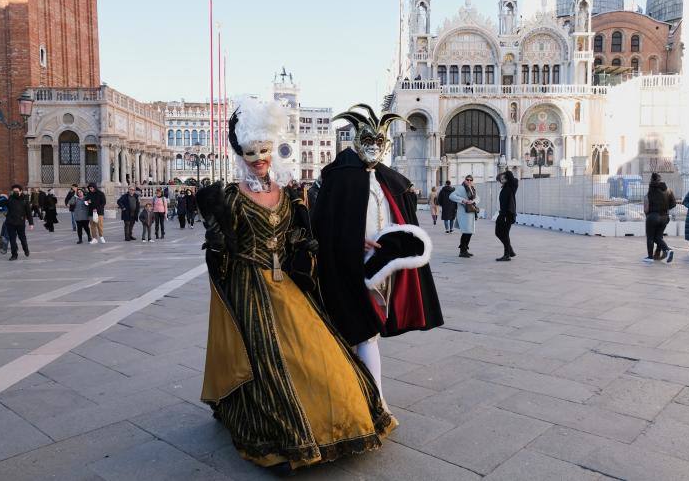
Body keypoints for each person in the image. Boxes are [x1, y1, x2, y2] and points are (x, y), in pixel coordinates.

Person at [197, 99, 396, 473]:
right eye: (252, 152)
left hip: (287, 286)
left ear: (273, 149)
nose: (259, 158)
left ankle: (344, 417)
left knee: (320, 354)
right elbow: (219, 253)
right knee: (266, 360)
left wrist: (353, 240)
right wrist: (217, 234)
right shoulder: (229, 197)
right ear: (241, 152)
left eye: (265, 150)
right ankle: (286, 434)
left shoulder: (290, 194)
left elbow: (311, 235)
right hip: (248, 287)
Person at [313, 103, 443, 401]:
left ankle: (365, 398)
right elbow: (323, 223)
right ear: (358, 140)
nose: (374, 147)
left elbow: (401, 217)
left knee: (369, 332)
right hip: (350, 266)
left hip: (384, 270)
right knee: (363, 332)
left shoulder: (390, 179)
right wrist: (352, 238)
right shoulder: (339, 177)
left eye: (379, 142)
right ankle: (372, 401)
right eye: (368, 141)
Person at [643, 173, 676, 263]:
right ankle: (668, 250)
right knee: (658, 237)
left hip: (653, 216)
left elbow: (646, 208)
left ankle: (650, 257)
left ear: (651, 180)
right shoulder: (668, 190)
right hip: (664, 217)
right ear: (660, 180)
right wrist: (664, 208)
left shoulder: (651, 190)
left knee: (650, 237)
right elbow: (673, 204)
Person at [1, 184, 34, 260]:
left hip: (20, 223)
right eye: (14, 191)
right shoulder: (10, 199)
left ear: (21, 191)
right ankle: (14, 255)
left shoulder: (25, 200)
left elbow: (28, 212)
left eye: (17, 191)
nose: (15, 192)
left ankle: (26, 249)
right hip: (10, 223)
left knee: (22, 238)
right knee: (12, 240)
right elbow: (1, 206)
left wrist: (31, 223)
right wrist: (1, 198)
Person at [449, 175, 479, 258]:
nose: (469, 181)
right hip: (463, 213)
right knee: (466, 232)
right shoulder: (461, 188)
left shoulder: (473, 188)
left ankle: (465, 249)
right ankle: (462, 251)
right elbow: (451, 196)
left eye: (471, 180)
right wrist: (463, 200)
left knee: (469, 232)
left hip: (471, 212)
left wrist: (473, 201)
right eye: (467, 179)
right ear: (465, 180)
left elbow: (478, 198)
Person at [495, 170, 519, 261]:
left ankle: (507, 254)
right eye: (500, 179)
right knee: (498, 233)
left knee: (504, 234)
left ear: (507, 178)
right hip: (502, 213)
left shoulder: (511, 187)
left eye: (503, 178)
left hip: (507, 214)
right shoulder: (504, 188)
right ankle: (510, 251)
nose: (501, 180)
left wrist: (505, 171)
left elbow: (513, 178)